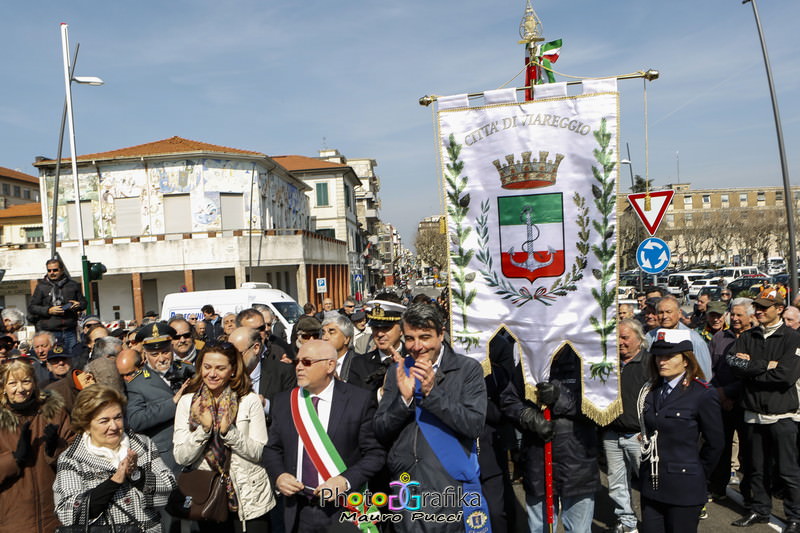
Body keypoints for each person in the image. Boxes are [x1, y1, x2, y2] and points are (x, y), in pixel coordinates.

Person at [374, 303, 489, 532]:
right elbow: (380, 429)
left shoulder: (467, 370)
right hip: (405, 487)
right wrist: (404, 401)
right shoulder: (396, 371)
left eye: (425, 337)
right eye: (410, 338)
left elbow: (473, 425)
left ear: (441, 334)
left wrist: (431, 394)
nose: (417, 346)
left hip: (449, 486)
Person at [263, 340, 385, 532]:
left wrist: (345, 481)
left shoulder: (359, 400)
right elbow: (272, 449)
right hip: (299, 509)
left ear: (330, 365)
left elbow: (375, 454)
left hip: (344, 508)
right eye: (297, 362)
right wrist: (279, 476)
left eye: (307, 362)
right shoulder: (284, 401)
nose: (299, 368)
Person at [173, 342, 276, 532]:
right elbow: (181, 457)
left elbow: (260, 452)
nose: (212, 374)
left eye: (220, 368)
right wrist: (203, 430)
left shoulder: (248, 400)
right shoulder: (188, 402)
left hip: (249, 495)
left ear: (233, 370)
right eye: (207, 367)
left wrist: (229, 432)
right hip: (206, 493)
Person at [502, 345, 599, 533]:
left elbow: (600, 406)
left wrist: (561, 398)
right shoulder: (528, 362)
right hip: (538, 458)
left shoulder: (586, 359)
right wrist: (528, 417)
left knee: (579, 529)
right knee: (540, 527)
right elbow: (509, 400)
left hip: (578, 460)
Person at [53, 386, 176, 532]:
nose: (114, 426)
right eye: (104, 421)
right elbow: (68, 514)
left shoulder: (142, 444)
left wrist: (137, 474)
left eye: (117, 417)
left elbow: (169, 488)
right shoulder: (71, 459)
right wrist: (114, 481)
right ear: (86, 425)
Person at [638, 329, 723, 533]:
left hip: (685, 487)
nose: (662, 361)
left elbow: (716, 443)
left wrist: (698, 473)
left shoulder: (701, 393)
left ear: (686, 360)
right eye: (659, 356)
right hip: (652, 483)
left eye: (669, 356)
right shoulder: (651, 390)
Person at [728, 290, 800, 531]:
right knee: (755, 468)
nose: (758, 311)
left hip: (782, 415)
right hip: (752, 413)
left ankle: (795, 516)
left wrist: (751, 368)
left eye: (764, 307)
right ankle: (759, 509)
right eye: (756, 307)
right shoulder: (748, 336)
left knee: (788, 471)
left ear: (778, 309)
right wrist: (764, 366)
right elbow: (733, 363)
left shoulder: (792, 337)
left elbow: (786, 375)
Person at [0, 358, 73, 533]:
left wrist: (55, 448)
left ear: (34, 383)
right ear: (3, 388)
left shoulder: (54, 412)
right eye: (13, 383)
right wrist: (14, 459)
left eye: (26, 381)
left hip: (53, 517)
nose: (21, 389)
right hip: (13, 521)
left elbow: (77, 454)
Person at [125, 322, 194, 470]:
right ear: (145, 353)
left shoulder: (189, 370)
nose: (161, 359)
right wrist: (173, 403)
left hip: (195, 449)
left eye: (165, 352)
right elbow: (136, 420)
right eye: (154, 354)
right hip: (165, 458)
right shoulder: (137, 383)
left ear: (172, 348)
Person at [603, 319, 650, 533]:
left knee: (648, 482)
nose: (620, 342)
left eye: (625, 337)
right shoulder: (607, 363)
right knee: (616, 482)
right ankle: (627, 522)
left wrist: (648, 430)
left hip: (638, 435)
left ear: (639, 339)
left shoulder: (650, 363)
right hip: (612, 434)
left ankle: (653, 521)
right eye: (617, 338)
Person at [708, 298, 755, 500]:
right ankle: (717, 487)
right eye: (732, 314)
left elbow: (753, 373)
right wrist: (720, 392)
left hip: (745, 403)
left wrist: (729, 393)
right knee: (721, 446)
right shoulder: (719, 338)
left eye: (739, 315)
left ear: (751, 316)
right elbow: (708, 368)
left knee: (749, 451)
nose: (734, 318)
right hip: (720, 402)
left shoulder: (757, 339)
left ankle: (749, 494)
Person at [27, 257, 86, 352]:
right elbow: (32, 307)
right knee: (52, 356)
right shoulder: (41, 287)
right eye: (49, 270)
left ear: (62, 270)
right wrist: (48, 310)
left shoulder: (72, 285)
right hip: (50, 330)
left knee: (73, 356)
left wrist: (78, 305)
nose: (52, 273)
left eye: (55, 270)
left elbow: (83, 303)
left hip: (69, 330)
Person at [348, 298, 406, 394]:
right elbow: (355, 402)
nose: (379, 334)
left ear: (401, 330)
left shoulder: (415, 359)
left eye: (386, 328)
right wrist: (380, 394)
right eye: (375, 328)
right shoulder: (359, 364)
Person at [647, 296, 713, 380]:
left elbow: (705, 374)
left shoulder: (693, 339)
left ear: (679, 313)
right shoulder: (650, 336)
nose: (664, 316)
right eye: (660, 312)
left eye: (668, 312)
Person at [320, 314, 357, 382]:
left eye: (331, 333)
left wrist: (339, 383)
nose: (324, 338)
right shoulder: (318, 362)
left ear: (346, 339)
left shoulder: (358, 364)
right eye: (323, 333)